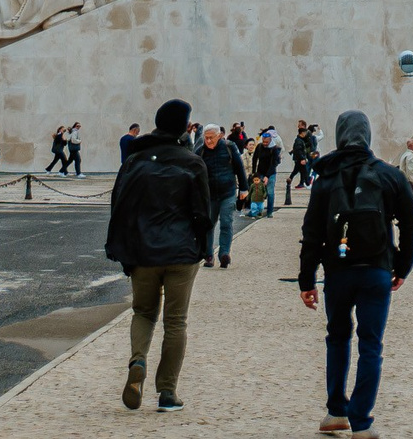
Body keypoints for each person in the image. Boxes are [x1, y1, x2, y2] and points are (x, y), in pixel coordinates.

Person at [297, 110, 413, 439]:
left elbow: (311, 235)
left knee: (337, 338)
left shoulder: (325, 181)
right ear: (367, 136)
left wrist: (306, 280)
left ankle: (336, 411)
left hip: (338, 274)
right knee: (371, 345)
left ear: (339, 135)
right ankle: (362, 422)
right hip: (377, 271)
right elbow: (409, 224)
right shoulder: (388, 176)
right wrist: (402, 267)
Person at [105, 99, 213, 414]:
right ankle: (167, 392)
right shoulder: (192, 162)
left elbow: (119, 207)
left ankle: (138, 360)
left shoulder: (135, 160)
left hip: (143, 252)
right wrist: (203, 250)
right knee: (175, 322)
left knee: (143, 313)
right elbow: (202, 214)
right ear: (184, 127)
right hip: (181, 252)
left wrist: (124, 252)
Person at [199, 123, 245, 269]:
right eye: (206, 138)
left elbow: (239, 168)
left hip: (228, 192)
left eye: (211, 138)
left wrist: (244, 188)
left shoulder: (229, 148)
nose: (209, 141)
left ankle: (224, 253)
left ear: (219, 136)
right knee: (208, 225)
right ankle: (209, 255)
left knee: (226, 222)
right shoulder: (200, 152)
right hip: (210, 195)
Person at [250, 131, 281, 218]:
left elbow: (273, 164)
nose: (265, 143)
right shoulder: (259, 147)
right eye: (263, 141)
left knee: (270, 192)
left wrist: (267, 176)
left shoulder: (274, 149)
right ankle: (257, 211)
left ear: (270, 140)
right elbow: (255, 158)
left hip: (270, 173)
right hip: (260, 172)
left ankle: (269, 212)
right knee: (258, 191)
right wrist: (254, 172)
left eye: (267, 142)